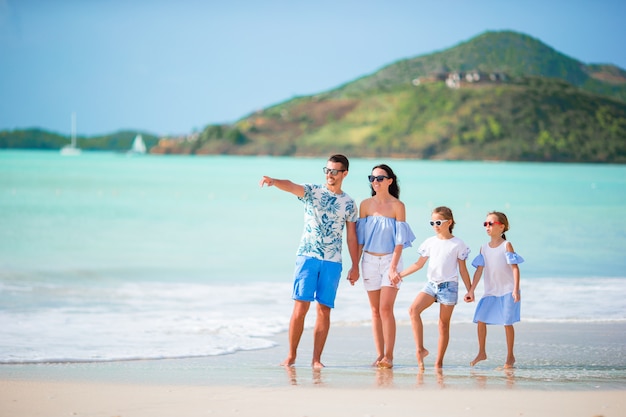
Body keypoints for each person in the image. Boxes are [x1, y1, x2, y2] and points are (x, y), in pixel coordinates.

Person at [259, 154, 360, 369]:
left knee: (324, 310)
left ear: (344, 174)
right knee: (300, 306)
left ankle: (316, 360)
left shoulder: (349, 203)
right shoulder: (313, 191)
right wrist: (275, 181)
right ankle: (291, 355)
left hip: (333, 262)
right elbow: (291, 186)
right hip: (307, 257)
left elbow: (352, 237)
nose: (329, 175)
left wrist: (355, 265)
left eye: (334, 171)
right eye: (327, 170)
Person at [394, 206, 472, 369]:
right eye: (432, 222)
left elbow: (463, 270)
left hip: (449, 287)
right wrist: (400, 275)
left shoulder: (458, 244)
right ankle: (420, 349)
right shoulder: (430, 242)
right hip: (431, 285)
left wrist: (470, 290)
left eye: (438, 222)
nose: (435, 225)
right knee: (413, 310)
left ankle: (439, 362)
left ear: (449, 222)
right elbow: (419, 264)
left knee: (443, 324)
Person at [356, 164, 415, 369]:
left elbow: (400, 241)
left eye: (380, 178)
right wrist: (354, 265)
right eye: (372, 178)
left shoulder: (398, 206)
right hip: (369, 261)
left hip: (392, 260)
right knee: (374, 310)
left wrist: (392, 267)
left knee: (385, 308)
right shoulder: (364, 205)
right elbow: (360, 240)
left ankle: (389, 356)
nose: (375, 181)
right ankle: (379, 355)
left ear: (390, 180)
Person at [467, 211, 524, 369]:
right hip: (490, 291)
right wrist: (471, 290)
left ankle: (510, 357)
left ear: (502, 227)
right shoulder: (483, 248)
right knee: (480, 319)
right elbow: (479, 270)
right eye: (485, 224)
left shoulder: (507, 245)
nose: (487, 226)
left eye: (491, 223)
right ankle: (481, 352)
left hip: (507, 290)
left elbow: (515, 268)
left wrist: (516, 289)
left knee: (507, 322)